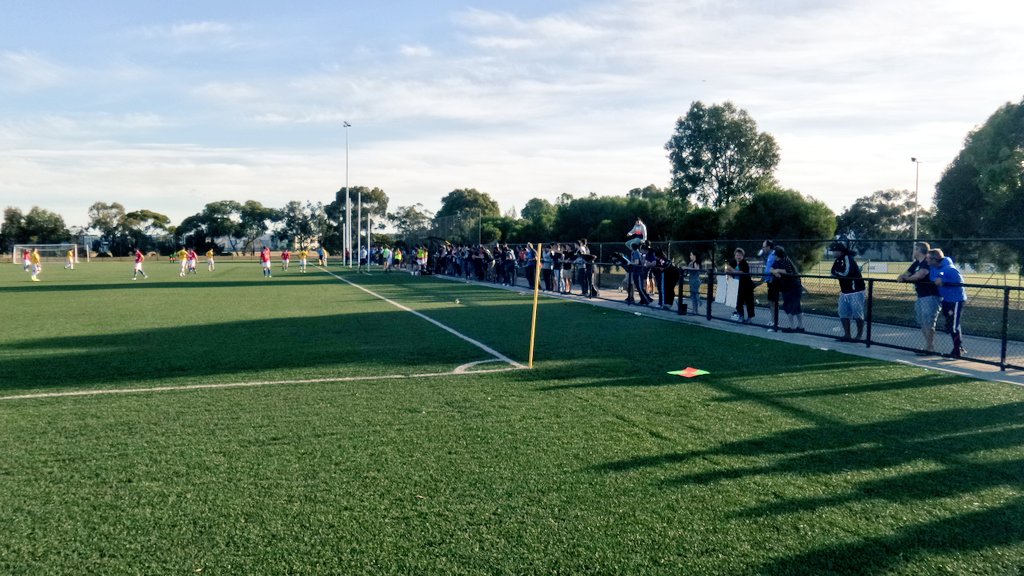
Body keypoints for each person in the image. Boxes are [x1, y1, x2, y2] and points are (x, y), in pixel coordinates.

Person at [898, 242, 942, 355]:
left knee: (928, 322)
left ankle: (930, 348)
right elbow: (906, 274)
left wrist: (906, 279)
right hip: (921, 296)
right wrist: (904, 277)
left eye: (915, 249)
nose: (913, 251)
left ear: (919, 250)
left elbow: (920, 275)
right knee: (922, 321)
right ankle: (928, 347)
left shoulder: (927, 262)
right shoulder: (917, 263)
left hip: (930, 296)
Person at [928, 248, 967, 359]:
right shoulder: (933, 267)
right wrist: (939, 278)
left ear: (935, 259)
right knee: (951, 325)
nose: (927, 260)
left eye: (928, 258)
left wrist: (943, 280)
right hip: (946, 299)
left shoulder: (949, 268)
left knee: (953, 326)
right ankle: (959, 347)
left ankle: (957, 351)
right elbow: (933, 277)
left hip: (956, 300)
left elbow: (959, 280)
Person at [829, 239, 866, 342]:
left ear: (839, 251)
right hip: (844, 291)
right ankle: (847, 335)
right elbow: (832, 271)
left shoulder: (848, 258)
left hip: (856, 291)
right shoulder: (837, 260)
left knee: (857, 313)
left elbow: (846, 273)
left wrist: (836, 273)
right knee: (843, 312)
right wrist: (836, 273)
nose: (833, 253)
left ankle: (859, 336)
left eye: (834, 251)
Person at [770, 246, 804, 332]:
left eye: (775, 254)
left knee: (793, 306)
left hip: (794, 286)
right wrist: (775, 272)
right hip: (786, 287)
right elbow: (771, 269)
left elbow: (789, 271)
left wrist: (778, 270)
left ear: (777, 255)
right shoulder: (777, 261)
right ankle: (795, 327)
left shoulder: (786, 260)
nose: (774, 256)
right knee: (788, 306)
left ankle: (797, 327)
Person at [727, 248, 756, 323]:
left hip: (747, 286)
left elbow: (741, 273)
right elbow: (727, 270)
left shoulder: (744, 263)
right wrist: (731, 270)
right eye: (737, 255)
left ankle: (749, 318)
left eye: (740, 255)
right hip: (737, 285)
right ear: (735, 256)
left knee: (749, 302)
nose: (738, 257)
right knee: (738, 302)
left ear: (743, 256)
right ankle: (741, 316)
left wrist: (732, 270)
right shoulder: (733, 262)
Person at [759, 239, 778, 326]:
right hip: (769, 282)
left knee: (773, 302)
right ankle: (773, 320)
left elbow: (775, 268)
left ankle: (775, 322)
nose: (763, 249)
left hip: (773, 282)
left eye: (764, 247)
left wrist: (772, 278)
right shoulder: (770, 255)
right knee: (771, 302)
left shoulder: (774, 255)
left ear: (768, 247)